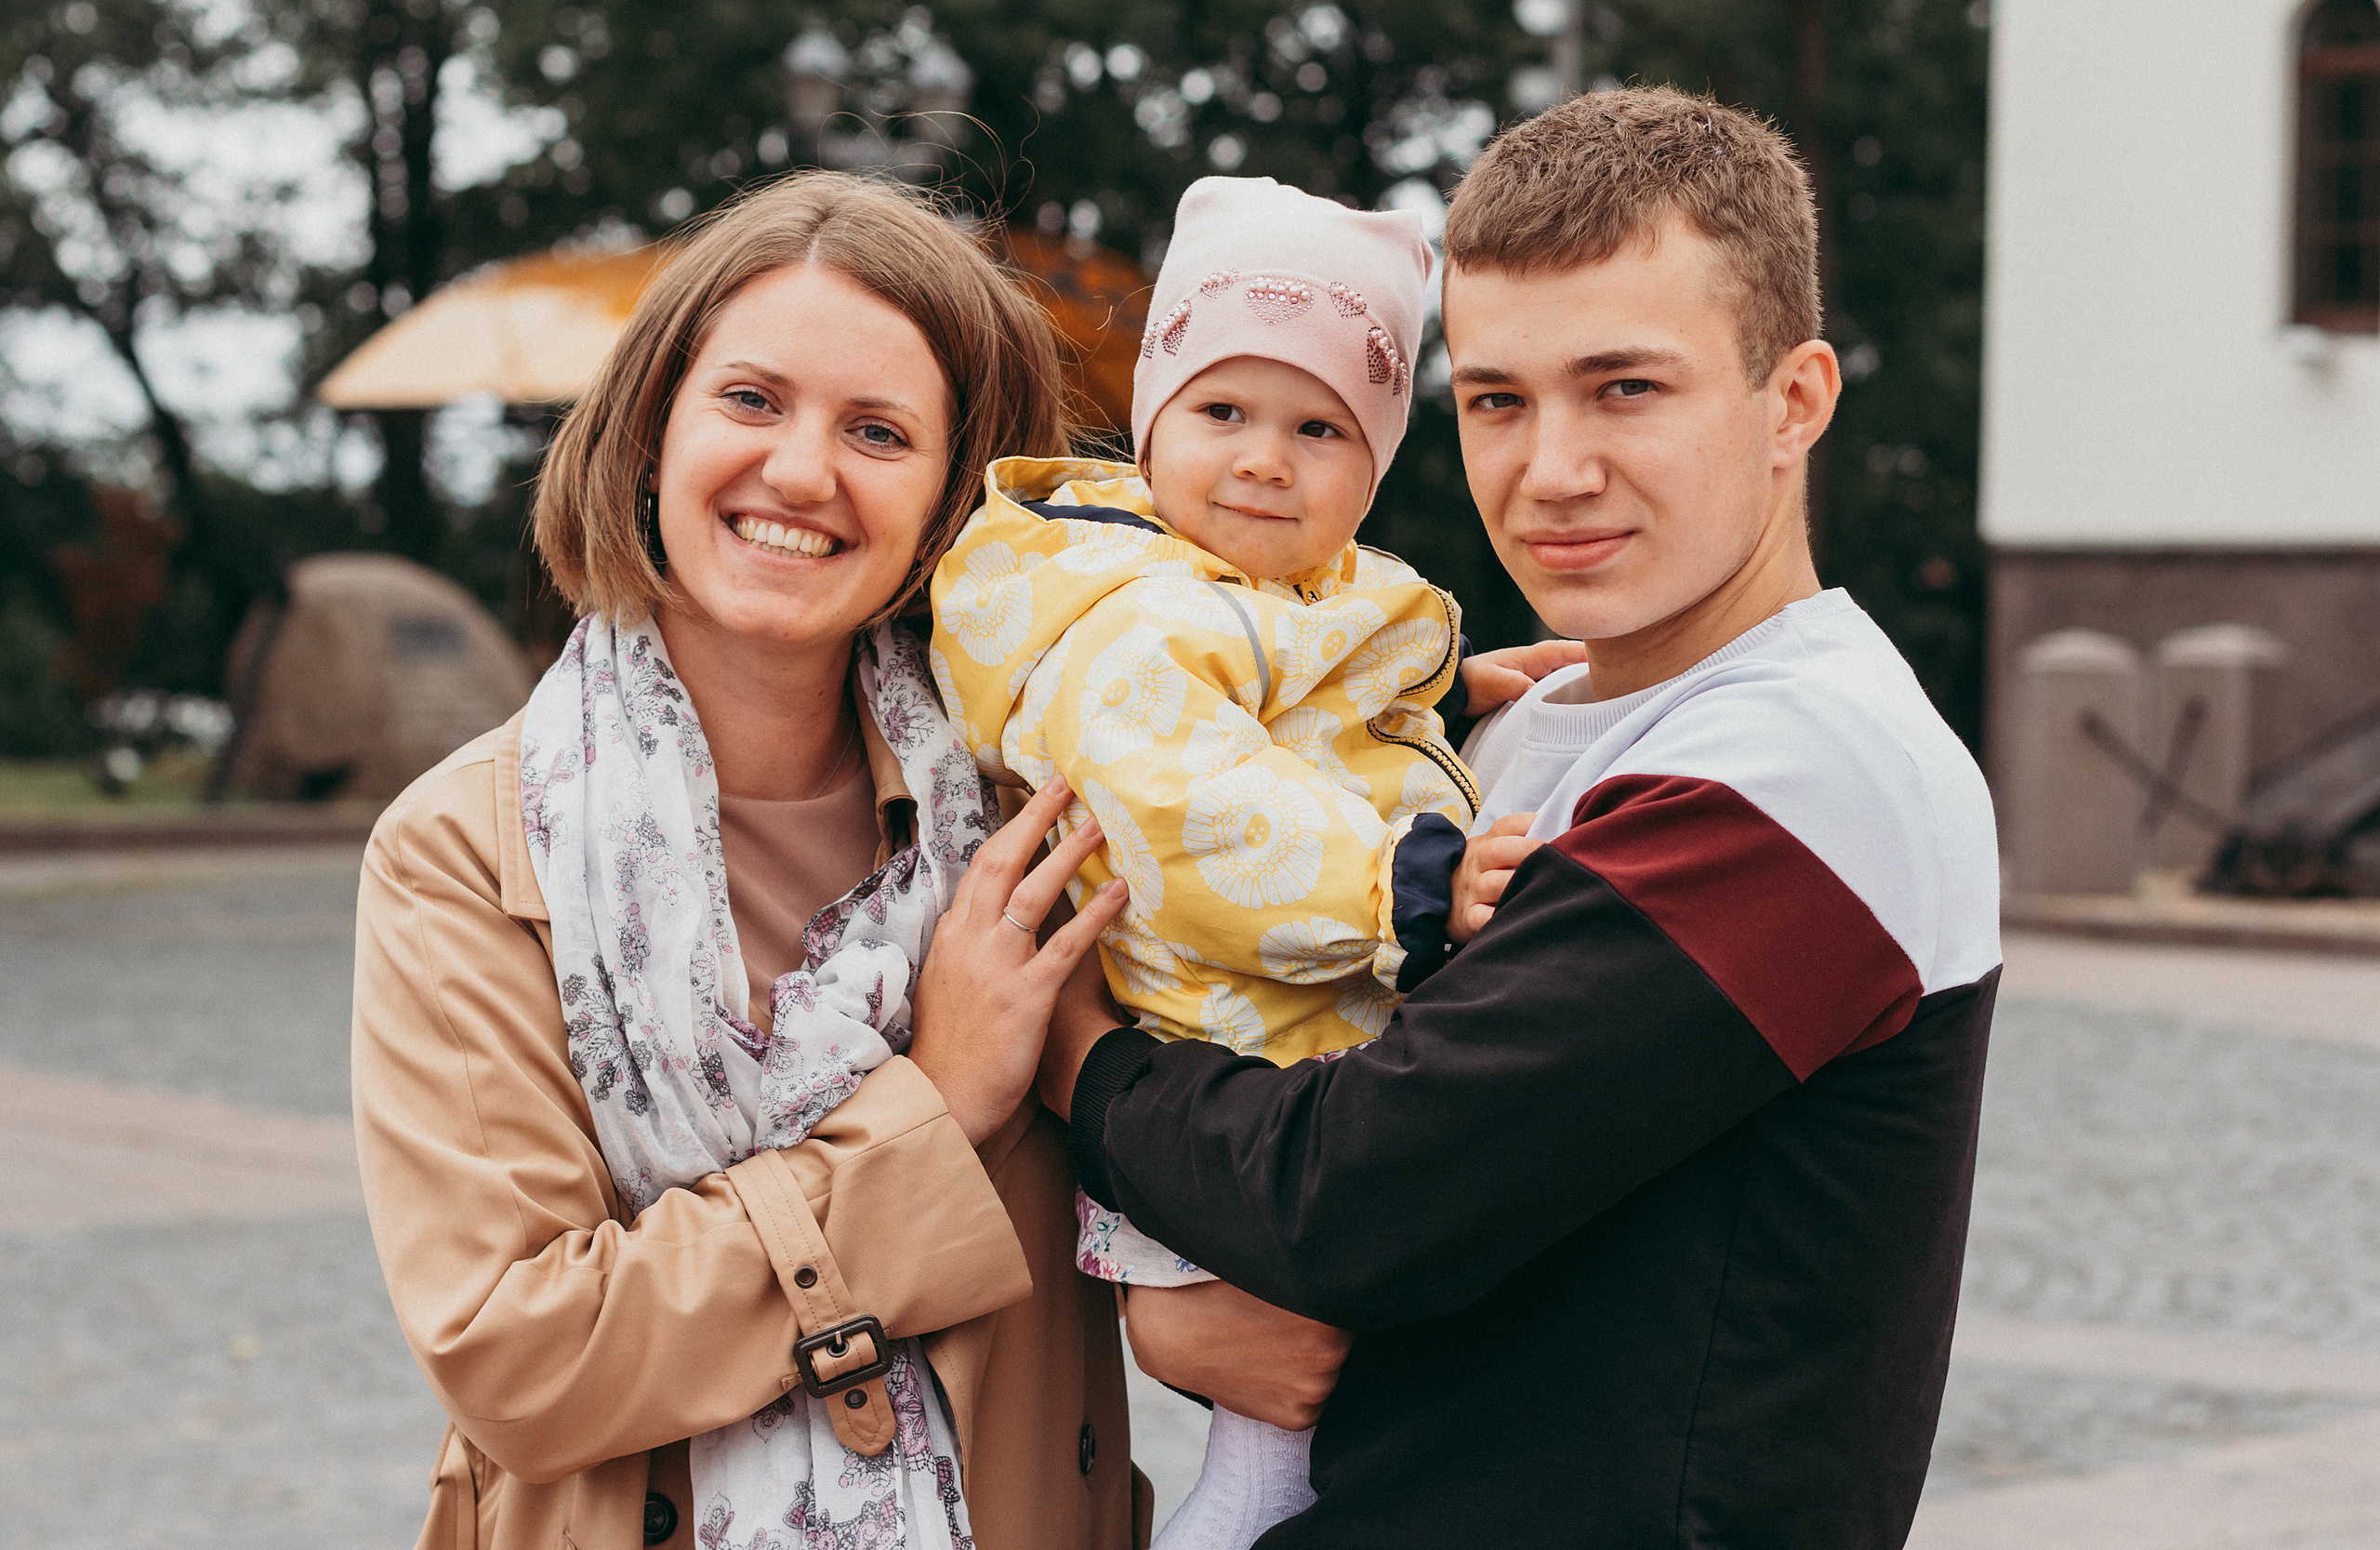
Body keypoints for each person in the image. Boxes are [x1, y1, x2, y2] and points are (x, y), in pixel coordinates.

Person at [1044, 86, 2003, 1547]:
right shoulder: (1505, 734)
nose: (1551, 471)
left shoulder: (1805, 771)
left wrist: (1067, 1050)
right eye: (1498, 399)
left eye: (1626, 389)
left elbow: (1347, 1199)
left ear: (1796, 401)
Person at [351, 172, 1144, 1550]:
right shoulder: (465, 851)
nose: (801, 473)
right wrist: (933, 1109)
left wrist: (1390, 712)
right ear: (651, 433)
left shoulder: (1042, 813)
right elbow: (523, 1356)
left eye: (879, 431)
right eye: (752, 400)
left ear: (954, 497)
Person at [929, 178, 1579, 1550]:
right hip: (1219, 1048)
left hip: (1269, 1036)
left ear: (1375, 466)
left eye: (1319, 428)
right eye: (1222, 412)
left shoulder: (1259, 590)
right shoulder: (1128, 620)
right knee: (1279, 1449)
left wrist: (1443, 689)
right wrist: (1409, 886)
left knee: (1323, 1429)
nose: (1265, 461)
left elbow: (1299, 686)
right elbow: (1195, 805)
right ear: (1152, 418)